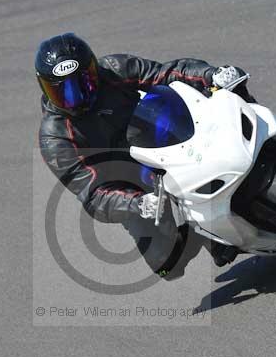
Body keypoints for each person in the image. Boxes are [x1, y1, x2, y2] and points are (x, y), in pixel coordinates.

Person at [37, 33, 255, 280]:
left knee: (228, 85)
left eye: (83, 83)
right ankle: (204, 234)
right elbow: (92, 193)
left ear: (95, 70)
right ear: (45, 88)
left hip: (160, 139)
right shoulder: (54, 138)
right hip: (128, 182)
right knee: (167, 265)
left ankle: (268, 135)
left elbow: (166, 73)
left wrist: (210, 74)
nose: (76, 98)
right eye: (63, 92)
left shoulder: (115, 69)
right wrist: (136, 203)